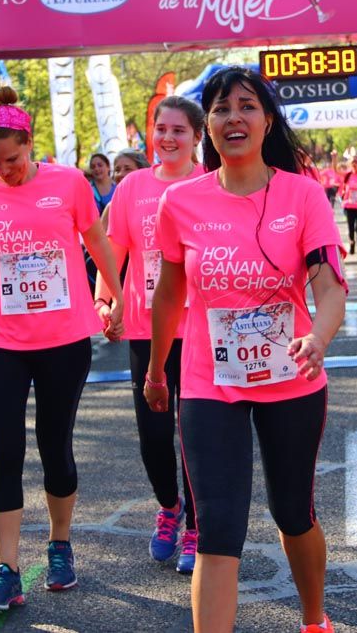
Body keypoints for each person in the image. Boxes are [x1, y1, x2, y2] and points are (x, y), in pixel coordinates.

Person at [146, 67, 346, 633]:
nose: (234, 117)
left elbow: (329, 284)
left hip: (292, 378)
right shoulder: (180, 203)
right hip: (211, 385)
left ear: (267, 119)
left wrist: (319, 336)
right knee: (218, 527)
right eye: (221, 108)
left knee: (293, 513)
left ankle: (314, 619)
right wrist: (157, 370)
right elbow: (168, 294)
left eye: (247, 106)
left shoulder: (303, 194)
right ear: (207, 125)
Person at [0, 84, 124, 611]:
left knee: (54, 447)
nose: (5, 171)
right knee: (6, 451)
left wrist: (116, 298)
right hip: (2, 341)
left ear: (30, 143)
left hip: (65, 339)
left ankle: (60, 544)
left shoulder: (68, 183)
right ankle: (7, 568)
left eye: (13, 160)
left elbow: (98, 244)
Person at [94, 96, 204, 574]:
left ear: (197, 137)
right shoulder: (134, 186)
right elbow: (113, 248)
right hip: (146, 326)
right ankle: (169, 506)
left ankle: (198, 525)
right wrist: (105, 300)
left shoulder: (211, 182)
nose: (168, 138)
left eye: (179, 130)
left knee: (197, 432)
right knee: (153, 435)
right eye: (161, 129)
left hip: (203, 325)